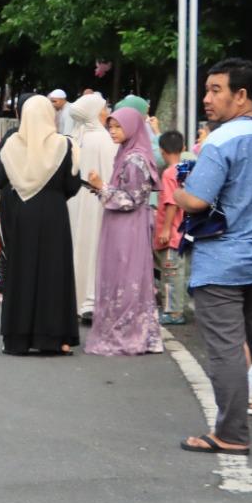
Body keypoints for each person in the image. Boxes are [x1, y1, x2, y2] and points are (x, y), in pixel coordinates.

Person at [175, 58, 252, 455]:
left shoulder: (221, 140)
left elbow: (199, 200)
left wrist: (181, 194)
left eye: (216, 90)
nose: (207, 99)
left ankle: (232, 434)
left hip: (223, 261)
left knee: (226, 349)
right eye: (207, 90)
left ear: (241, 95)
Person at [0, 95, 82, 355]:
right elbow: (73, 185)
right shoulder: (64, 145)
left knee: (21, 272)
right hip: (54, 214)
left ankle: (17, 339)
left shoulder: (11, 145)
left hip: (21, 215)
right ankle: (51, 338)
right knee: (53, 273)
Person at [83, 108, 163, 356]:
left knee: (127, 278)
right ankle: (124, 331)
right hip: (120, 225)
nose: (113, 132)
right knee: (120, 275)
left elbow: (133, 199)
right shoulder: (126, 154)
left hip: (129, 227)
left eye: (118, 127)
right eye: (111, 127)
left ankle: (128, 335)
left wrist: (101, 187)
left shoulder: (135, 159)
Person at [67, 92, 113, 322]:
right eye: (103, 108)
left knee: (78, 244)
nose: (106, 112)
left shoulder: (74, 139)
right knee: (95, 246)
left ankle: (74, 298)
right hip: (98, 201)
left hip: (76, 201)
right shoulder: (104, 139)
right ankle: (93, 298)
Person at [156, 130, 188, 325]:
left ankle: (173, 312)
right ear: (183, 148)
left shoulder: (169, 173)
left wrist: (166, 229)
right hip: (184, 230)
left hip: (173, 232)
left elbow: (171, 202)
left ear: (161, 151)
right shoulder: (186, 168)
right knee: (178, 272)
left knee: (171, 273)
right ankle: (176, 309)